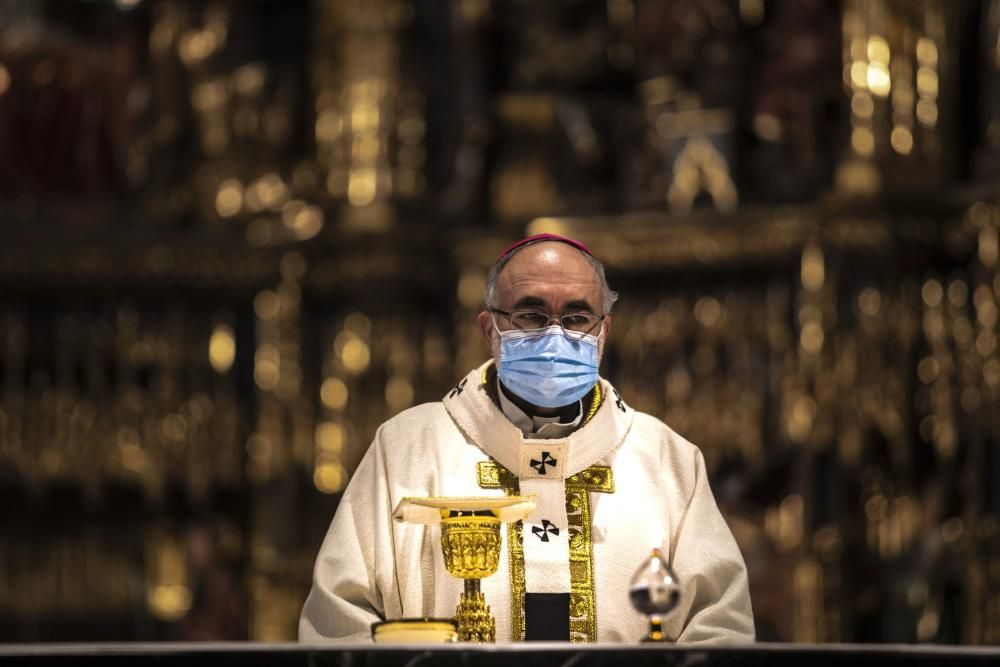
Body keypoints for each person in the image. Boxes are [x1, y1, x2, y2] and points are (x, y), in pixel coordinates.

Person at [299, 234, 754, 643]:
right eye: (531, 315)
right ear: (489, 331)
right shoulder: (407, 448)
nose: (555, 334)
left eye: (577, 317)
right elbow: (341, 619)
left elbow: (719, 626)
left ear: (604, 333)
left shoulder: (666, 459)